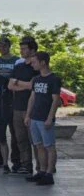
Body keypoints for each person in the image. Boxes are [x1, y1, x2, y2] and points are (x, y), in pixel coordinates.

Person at [25, 51, 61, 186]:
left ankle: (49, 174)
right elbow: (32, 98)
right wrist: (28, 115)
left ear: (43, 62)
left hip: (45, 119)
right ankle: (41, 171)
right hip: (34, 117)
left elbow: (55, 100)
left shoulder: (54, 79)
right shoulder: (37, 79)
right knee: (39, 146)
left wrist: (50, 118)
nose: (32, 64)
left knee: (49, 146)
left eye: (34, 62)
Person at [7, 36, 39, 176]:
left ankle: (41, 167)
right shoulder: (18, 66)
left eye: (24, 48)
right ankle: (26, 165)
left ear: (32, 50)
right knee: (20, 139)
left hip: (30, 108)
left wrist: (18, 83)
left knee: (35, 140)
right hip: (17, 107)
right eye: (20, 48)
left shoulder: (36, 67)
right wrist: (24, 85)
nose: (21, 51)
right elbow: (10, 86)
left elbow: (33, 86)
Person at [0, 35, 20, 168]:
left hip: (13, 98)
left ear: (9, 46)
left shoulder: (16, 60)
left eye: (4, 45)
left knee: (15, 131)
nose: (1, 48)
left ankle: (16, 160)